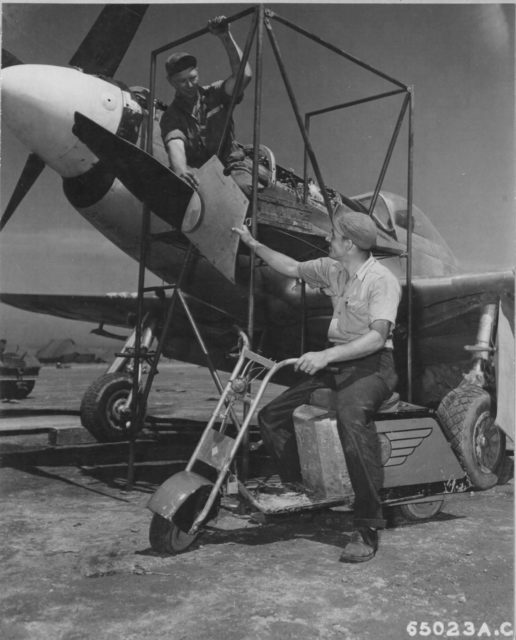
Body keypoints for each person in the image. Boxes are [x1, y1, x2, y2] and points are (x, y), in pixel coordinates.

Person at [232, 206, 401, 563]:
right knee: (273, 416)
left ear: (350, 243)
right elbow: (291, 267)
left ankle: (368, 523)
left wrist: (324, 358)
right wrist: (251, 243)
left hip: (374, 365)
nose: (327, 239)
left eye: (334, 235)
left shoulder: (382, 280)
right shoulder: (333, 269)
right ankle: (304, 494)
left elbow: (376, 338)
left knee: (351, 416)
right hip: (339, 360)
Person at [160, 15, 253, 194]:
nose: (189, 85)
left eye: (193, 78)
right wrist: (180, 170)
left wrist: (225, 36)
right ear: (170, 81)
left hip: (231, 164)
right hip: (200, 172)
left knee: (244, 189)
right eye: (181, 81)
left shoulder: (216, 93)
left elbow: (244, 76)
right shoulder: (172, 116)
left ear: (198, 73)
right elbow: (175, 144)